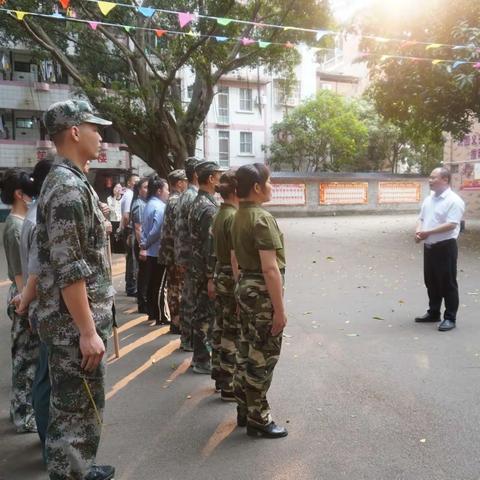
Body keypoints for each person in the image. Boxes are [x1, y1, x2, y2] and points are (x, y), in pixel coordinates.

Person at [37, 99, 115, 480]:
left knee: (77, 408)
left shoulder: (71, 180)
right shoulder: (68, 188)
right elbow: (70, 269)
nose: (100, 135)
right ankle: (72, 472)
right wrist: (87, 331)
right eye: (94, 127)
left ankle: (79, 467)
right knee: (74, 410)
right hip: (74, 330)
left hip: (72, 325)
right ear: (74, 132)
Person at [231, 163, 288, 439]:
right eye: (269, 182)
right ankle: (258, 417)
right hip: (261, 294)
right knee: (263, 357)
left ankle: (244, 407)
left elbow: (233, 259)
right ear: (256, 187)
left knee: (246, 350)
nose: (271, 186)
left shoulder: (237, 215)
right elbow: (270, 269)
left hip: (245, 289)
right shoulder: (261, 218)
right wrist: (279, 310)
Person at [16, 158, 54, 459]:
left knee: (45, 375)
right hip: (44, 306)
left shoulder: (36, 213)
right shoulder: (38, 216)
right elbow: (34, 271)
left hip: (41, 304)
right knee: (45, 377)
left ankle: (48, 438)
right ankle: (48, 440)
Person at [0, 168, 38, 434]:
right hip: (22, 295)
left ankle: (23, 410)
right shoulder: (14, 225)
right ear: (19, 194)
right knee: (24, 357)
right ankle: (22, 414)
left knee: (28, 357)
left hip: (24, 294)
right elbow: (19, 271)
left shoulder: (20, 222)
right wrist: (26, 303)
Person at [414, 167, 465, 332]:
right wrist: (418, 232)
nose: (430, 180)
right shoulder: (429, 198)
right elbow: (421, 218)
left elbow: (451, 225)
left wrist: (427, 232)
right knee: (431, 282)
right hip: (429, 247)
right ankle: (434, 312)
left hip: (445, 247)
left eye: (433, 177)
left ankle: (450, 318)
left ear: (445, 180)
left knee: (447, 283)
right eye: (430, 177)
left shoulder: (454, 201)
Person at [189, 161, 225, 374]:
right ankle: (202, 360)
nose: (221, 178)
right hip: (205, 270)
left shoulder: (198, 202)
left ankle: (200, 357)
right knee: (205, 316)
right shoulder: (209, 208)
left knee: (200, 312)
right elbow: (210, 245)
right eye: (219, 175)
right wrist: (212, 277)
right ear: (211, 178)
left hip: (197, 267)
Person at [211, 171, 239, 400]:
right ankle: (229, 382)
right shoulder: (232, 217)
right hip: (230, 276)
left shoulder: (221, 214)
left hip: (220, 273)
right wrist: (240, 287)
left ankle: (220, 374)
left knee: (220, 326)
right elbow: (234, 257)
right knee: (231, 330)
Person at [174, 157, 201, 351]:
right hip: (192, 256)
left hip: (184, 254)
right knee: (193, 300)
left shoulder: (184, 195)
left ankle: (186, 339)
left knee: (188, 298)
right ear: (197, 174)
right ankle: (190, 340)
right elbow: (193, 232)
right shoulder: (193, 197)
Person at [158, 169, 188, 334]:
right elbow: (179, 231)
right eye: (185, 181)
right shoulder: (177, 201)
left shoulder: (172, 200)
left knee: (174, 286)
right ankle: (177, 321)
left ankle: (176, 320)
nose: (187, 184)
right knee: (177, 288)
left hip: (170, 251)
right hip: (175, 252)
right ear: (179, 183)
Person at [140, 175, 170, 325]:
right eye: (166, 190)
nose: (168, 193)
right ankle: (160, 315)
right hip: (158, 250)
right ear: (159, 191)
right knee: (159, 285)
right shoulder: (160, 206)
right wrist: (146, 243)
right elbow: (156, 230)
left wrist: (144, 243)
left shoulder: (149, 204)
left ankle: (153, 313)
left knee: (153, 283)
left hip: (152, 250)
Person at [131, 177, 149, 314]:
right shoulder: (139, 204)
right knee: (143, 274)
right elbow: (138, 228)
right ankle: (142, 303)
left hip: (144, 244)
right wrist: (142, 247)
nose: (147, 190)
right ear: (138, 189)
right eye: (145, 187)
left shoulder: (145, 203)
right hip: (141, 244)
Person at [120, 173, 139, 296]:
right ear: (128, 183)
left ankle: (131, 286)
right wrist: (128, 230)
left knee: (131, 260)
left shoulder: (131, 194)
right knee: (132, 260)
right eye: (134, 181)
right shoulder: (129, 195)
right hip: (130, 230)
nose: (137, 183)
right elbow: (126, 216)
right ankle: (131, 287)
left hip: (130, 230)